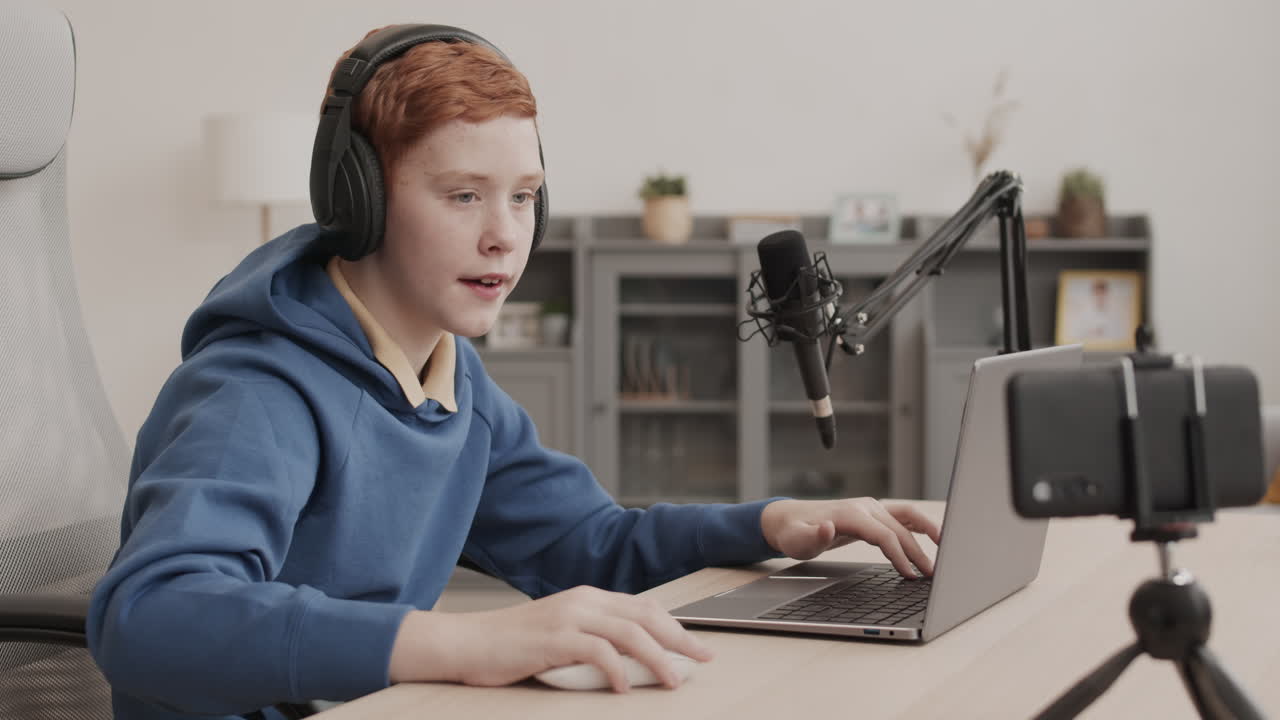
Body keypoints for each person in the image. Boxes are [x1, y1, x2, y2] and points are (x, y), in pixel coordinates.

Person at [86, 24, 941, 719]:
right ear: (361, 201)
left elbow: (588, 545)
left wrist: (773, 523)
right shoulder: (257, 389)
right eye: (463, 195)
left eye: (525, 195)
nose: (506, 235)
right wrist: (468, 642)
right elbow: (150, 616)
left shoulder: (452, 383)